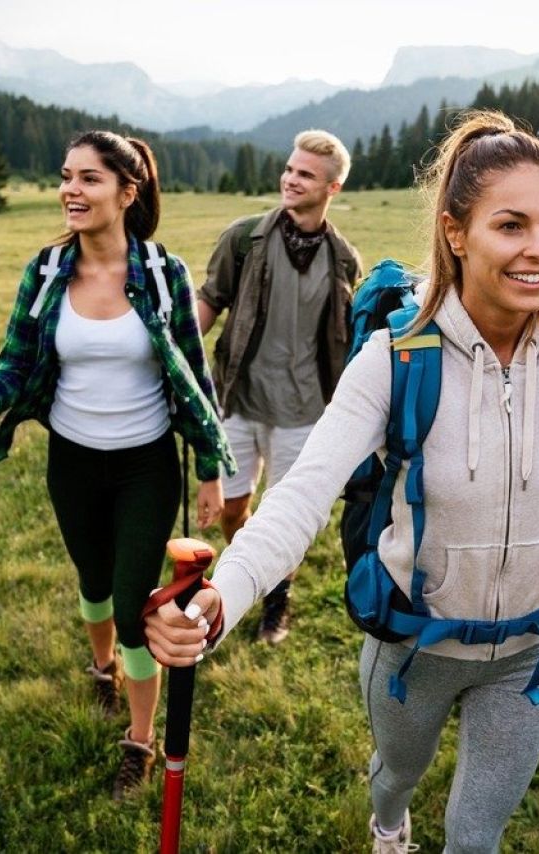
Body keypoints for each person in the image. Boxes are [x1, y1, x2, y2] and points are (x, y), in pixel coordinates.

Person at [145, 111, 539, 853]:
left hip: (529, 654)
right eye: (511, 226)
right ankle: (388, 826)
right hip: (414, 651)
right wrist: (221, 600)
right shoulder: (394, 358)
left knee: (475, 837)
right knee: (395, 777)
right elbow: (300, 499)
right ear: (455, 233)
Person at [0, 130, 234, 801]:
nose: (71, 189)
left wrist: (210, 467)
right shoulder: (45, 272)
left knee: (133, 605)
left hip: (146, 466)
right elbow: (16, 364)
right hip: (71, 460)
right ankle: (102, 667)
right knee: (93, 583)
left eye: (89, 179)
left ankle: (139, 740)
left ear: (128, 193)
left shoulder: (163, 274)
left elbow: (194, 376)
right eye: (66, 176)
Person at [196, 129, 363, 644]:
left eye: (305, 174)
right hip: (240, 400)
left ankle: (275, 599)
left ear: (331, 188)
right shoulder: (243, 239)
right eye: (289, 169)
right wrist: (174, 349)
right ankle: (247, 572)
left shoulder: (343, 259)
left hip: (305, 410)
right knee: (233, 506)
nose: (291, 180)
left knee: (285, 517)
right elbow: (209, 298)